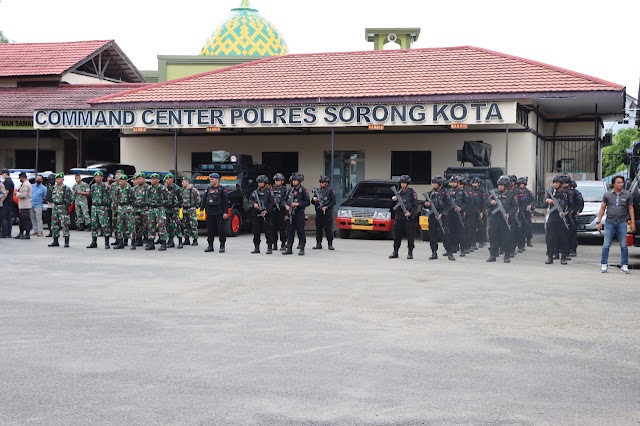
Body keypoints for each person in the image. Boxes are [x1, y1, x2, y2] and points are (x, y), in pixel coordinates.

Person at [596, 175, 635, 273]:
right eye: (618, 182)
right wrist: (598, 221)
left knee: (623, 245)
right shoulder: (607, 195)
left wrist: (632, 223)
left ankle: (624, 265)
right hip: (610, 222)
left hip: (622, 222)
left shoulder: (627, 195)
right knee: (606, 244)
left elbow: (630, 208)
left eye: (622, 182)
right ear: (613, 184)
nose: (620, 184)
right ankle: (604, 264)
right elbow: (602, 208)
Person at [486, 176, 518, 263]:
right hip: (494, 219)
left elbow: (515, 207)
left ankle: (506, 256)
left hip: (505, 219)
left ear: (506, 185)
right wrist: (491, 202)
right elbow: (486, 201)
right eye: (499, 185)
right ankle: (492, 255)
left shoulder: (511, 194)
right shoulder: (494, 193)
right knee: (493, 237)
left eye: (501, 185)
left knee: (506, 238)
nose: (499, 186)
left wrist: (509, 214)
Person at [424, 175, 454, 261]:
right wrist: (426, 204)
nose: (433, 185)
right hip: (432, 216)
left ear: (439, 184)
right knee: (432, 235)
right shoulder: (431, 193)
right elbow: (425, 204)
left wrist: (442, 214)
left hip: (442, 217)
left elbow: (449, 205)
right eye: (432, 183)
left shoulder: (445, 193)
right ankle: (434, 252)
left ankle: (449, 252)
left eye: (434, 183)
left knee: (445, 234)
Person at [544, 175, 573, 265]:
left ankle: (563, 257)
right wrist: (547, 200)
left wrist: (565, 213)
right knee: (550, 238)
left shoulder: (567, 193)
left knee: (564, 238)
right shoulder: (551, 192)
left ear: (561, 184)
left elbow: (571, 206)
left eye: (557, 183)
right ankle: (550, 256)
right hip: (553, 217)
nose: (555, 184)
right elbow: (544, 203)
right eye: (554, 183)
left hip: (563, 218)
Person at [389, 175, 418, 259]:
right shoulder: (398, 193)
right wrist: (394, 200)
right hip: (399, 216)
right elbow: (393, 206)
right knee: (397, 235)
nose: (403, 185)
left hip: (408, 217)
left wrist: (410, 212)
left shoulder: (412, 193)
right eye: (402, 183)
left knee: (410, 235)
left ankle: (410, 252)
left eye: (405, 183)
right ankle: (395, 251)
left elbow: (415, 205)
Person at [200, 173, 229, 253]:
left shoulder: (222, 189)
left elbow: (226, 202)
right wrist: (201, 209)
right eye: (210, 179)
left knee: (221, 230)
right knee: (210, 230)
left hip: (219, 212)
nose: (211, 180)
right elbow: (204, 199)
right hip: (210, 211)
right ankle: (210, 246)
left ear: (217, 179)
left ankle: (222, 246)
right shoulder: (208, 188)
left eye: (212, 179)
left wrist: (225, 212)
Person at [282, 172, 310, 256]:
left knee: (300, 231)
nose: (294, 182)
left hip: (299, 213)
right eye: (293, 180)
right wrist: (286, 205)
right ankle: (289, 248)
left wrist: (298, 204)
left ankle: (302, 248)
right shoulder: (290, 190)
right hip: (290, 213)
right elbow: (283, 200)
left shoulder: (304, 191)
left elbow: (307, 202)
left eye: (295, 180)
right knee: (290, 231)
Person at [250, 175, 275, 254]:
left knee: (268, 231)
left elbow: (271, 202)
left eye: (261, 182)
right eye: (259, 182)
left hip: (266, 214)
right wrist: (254, 204)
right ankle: (256, 247)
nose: (260, 184)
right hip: (257, 214)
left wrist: (267, 210)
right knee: (256, 231)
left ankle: (269, 247)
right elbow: (250, 200)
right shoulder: (255, 192)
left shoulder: (269, 191)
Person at [86, 171, 111, 249]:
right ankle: (94, 242)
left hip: (103, 207)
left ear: (102, 178)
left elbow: (110, 197)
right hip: (94, 207)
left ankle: (107, 243)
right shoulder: (93, 186)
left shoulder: (106, 186)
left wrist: (107, 205)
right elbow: (91, 196)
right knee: (94, 225)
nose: (97, 178)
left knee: (105, 225)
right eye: (95, 177)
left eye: (98, 177)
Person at [145, 173, 170, 251]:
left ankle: (163, 243)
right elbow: (146, 198)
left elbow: (169, 199)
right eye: (151, 179)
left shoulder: (162, 188)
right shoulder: (149, 189)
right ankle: (151, 243)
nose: (152, 180)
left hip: (160, 209)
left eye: (154, 179)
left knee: (161, 226)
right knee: (150, 226)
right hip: (151, 209)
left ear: (158, 180)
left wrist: (161, 202)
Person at [48, 172, 73, 248]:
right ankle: (55, 240)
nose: (58, 180)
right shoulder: (53, 188)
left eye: (59, 179)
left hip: (63, 207)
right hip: (55, 207)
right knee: (54, 224)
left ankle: (66, 241)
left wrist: (66, 203)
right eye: (57, 179)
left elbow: (72, 198)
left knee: (65, 224)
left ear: (63, 179)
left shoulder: (66, 188)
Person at [311, 175, 337, 250]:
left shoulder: (330, 191)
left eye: (322, 182)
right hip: (319, 212)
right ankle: (318, 243)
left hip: (327, 212)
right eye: (320, 182)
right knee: (318, 229)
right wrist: (314, 199)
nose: (321, 184)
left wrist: (327, 207)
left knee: (328, 229)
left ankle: (330, 244)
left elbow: (333, 201)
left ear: (326, 183)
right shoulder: (317, 191)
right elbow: (312, 202)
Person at [113, 174, 135, 250]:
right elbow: (115, 200)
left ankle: (133, 242)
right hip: (120, 208)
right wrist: (115, 210)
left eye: (122, 181)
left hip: (128, 207)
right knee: (120, 226)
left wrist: (132, 209)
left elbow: (134, 200)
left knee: (130, 226)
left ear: (125, 181)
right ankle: (120, 242)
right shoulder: (117, 189)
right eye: (119, 181)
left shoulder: (130, 189)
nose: (120, 182)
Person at [163, 173, 183, 249]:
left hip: (174, 209)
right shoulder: (164, 188)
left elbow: (181, 200)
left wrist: (177, 205)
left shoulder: (177, 188)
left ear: (172, 179)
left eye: (168, 179)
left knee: (176, 225)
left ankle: (180, 241)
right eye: (166, 179)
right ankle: (171, 241)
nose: (167, 181)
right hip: (167, 209)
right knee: (168, 226)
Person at [180, 176, 201, 247]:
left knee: (193, 225)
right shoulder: (182, 190)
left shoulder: (193, 190)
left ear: (187, 182)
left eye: (183, 182)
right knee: (185, 225)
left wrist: (196, 206)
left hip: (191, 209)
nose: (182, 183)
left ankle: (195, 239)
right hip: (184, 209)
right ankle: (186, 239)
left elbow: (198, 199)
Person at [131, 172, 149, 248]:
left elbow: (150, 199)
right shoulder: (134, 188)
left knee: (146, 225)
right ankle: (139, 240)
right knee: (137, 225)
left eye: (140, 179)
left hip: (145, 209)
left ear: (144, 179)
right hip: (136, 210)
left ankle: (147, 239)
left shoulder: (148, 188)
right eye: (137, 179)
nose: (138, 180)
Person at [271, 173, 288, 251]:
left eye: (278, 181)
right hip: (273, 211)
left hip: (282, 211)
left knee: (282, 229)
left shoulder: (285, 190)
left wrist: (286, 214)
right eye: (276, 181)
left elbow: (287, 201)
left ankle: (283, 244)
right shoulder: (271, 190)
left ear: (282, 181)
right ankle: (274, 244)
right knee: (273, 229)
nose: (277, 182)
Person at [517, 177, 535, 248]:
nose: (521, 185)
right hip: (519, 212)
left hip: (527, 212)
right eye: (520, 184)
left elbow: (533, 201)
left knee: (528, 227)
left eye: (522, 184)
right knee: (520, 228)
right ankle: (521, 244)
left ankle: (528, 240)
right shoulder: (516, 192)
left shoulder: (529, 192)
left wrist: (530, 206)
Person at [568, 179, 584, 257]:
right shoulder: (562, 192)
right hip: (564, 215)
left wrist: (577, 211)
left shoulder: (576, 193)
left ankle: (573, 250)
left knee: (572, 233)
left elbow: (580, 203)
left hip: (572, 215)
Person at [14, 172, 32, 239]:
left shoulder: (25, 184)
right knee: (21, 220)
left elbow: (23, 195)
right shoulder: (24, 184)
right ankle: (21, 233)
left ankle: (27, 233)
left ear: (22, 177)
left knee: (25, 220)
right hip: (23, 205)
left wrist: (16, 193)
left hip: (25, 205)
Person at [471, 177, 488, 249]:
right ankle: (473, 243)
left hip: (480, 211)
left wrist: (482, 211)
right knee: (472, 227)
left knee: (481, 227)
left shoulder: (482, 191)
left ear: (479, 184)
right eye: (473, 183)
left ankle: (482, 241)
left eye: (475, 183)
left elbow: (484, 202)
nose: (474, 184)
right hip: (472, 211)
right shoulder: (470, 191)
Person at [0, 169, 14, 238]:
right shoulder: (10, 181)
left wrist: (1, 201)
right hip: (10, 201)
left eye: (2, 174)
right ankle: (8, 233)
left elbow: (6, 192)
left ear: (5, 173)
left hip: (6, 201)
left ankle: (4, 233)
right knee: (8, 217)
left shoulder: (7, 181)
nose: (2, 176)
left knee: (4, 218)